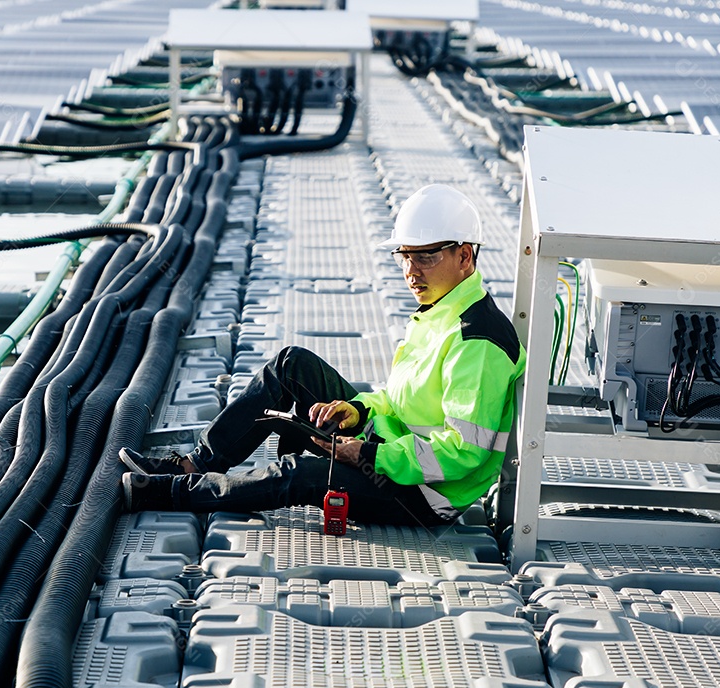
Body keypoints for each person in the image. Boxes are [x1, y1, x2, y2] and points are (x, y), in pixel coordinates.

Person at [119, 184, 526, 526]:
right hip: (388, 448)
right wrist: (358, 409)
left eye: (425, 256)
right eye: (404, 255)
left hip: (421, 495)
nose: (410, 270)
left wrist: (367, 454)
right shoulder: (442, 309)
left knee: (300, 475)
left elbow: (462, 453)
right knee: (290, 365)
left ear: (465, 257)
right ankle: (196, 463)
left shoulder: (479, 341)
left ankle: (172, 491)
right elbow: (404, 400)